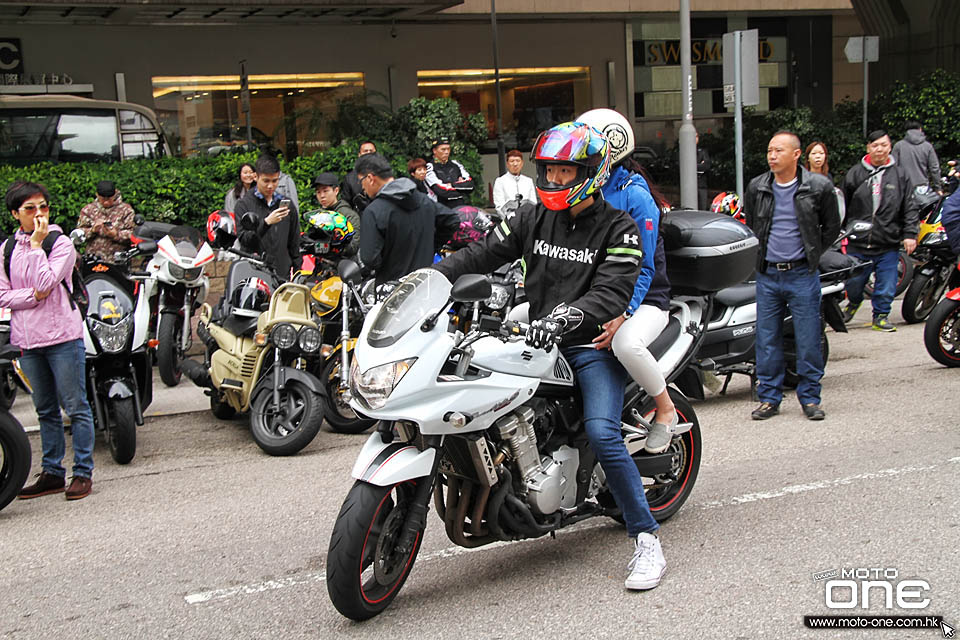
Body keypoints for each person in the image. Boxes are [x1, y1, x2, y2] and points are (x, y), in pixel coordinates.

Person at [434, 121, 666, 591]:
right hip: (533, 339)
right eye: (550, 172)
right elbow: (480, 253)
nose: (555, 182)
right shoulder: (530, 216)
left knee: (603, 433)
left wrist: (567, 317)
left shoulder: (619, 227)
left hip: (587, 346)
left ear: (593, 173)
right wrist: (426, 277)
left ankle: (647, 540)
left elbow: (611, 292)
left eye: (566, 173)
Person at [577, 108, 675, 454]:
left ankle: (665, 408)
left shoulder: (635, 196)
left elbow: (644, 267)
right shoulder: (584, 189)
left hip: (644, 299)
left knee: (626, 345)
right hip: (599, 295)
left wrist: (624, 313)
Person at [2, 181, 96, 501]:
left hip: (63, 337)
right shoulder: (6, 250)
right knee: (45, 409)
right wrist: (32, 297)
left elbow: (46, 281)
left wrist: (38, 244)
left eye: (43, 207)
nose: (39, 214)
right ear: (16, 214)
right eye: (30, 209)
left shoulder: (60, 244)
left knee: (76, 406)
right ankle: (53, 473)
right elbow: (5, 296)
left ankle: (82, 472)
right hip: (28, 340)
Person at [744, 131, 840, 421]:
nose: (772, 156)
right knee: (767, 339)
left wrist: (810, 253)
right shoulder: (758, 186)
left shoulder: (818, 187)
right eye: (770, 151)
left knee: (809, 339)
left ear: (796, 155)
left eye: (779, 151)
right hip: (768, 274)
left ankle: (810, 398)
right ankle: (769, 398)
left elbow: (831, 227)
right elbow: (752, 223)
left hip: (802, 274)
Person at [841, 130, 919, 332]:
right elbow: (843, 206)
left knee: (886, 284)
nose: (879, 149)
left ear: (890, 146)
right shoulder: (855, 174)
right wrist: (841, 231)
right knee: (854, 283)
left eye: (884, 145)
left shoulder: (900, 175)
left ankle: (881, 316)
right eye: (875, 145)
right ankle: (854, 303)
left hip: (888, 242)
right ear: (868, 148)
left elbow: (909, 206)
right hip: (858, 242)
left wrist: (910, 234)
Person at [355, 152, 460, 285]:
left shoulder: (374, 211)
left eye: (361, 181)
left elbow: (369, 258)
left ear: (370, 178)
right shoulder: (424, 201)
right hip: (425, 287)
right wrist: (431, 246)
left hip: (392, 291)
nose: (362, 188)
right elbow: (452, 220)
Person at [234, 154, 301, 279]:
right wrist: (266, 223)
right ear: (256, 177)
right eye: (266, 181)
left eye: (275, 181)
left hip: (282, 273)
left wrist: (298, 272)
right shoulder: (243, 205)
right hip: (254, 273)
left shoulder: (287, 205)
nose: (270, 186)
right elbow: (245, 241)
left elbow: (294, 241)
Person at [77, 180, 136, 261]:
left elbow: (134, 235)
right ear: (97, 195)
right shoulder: (88, 210)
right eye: (103, 199)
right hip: (93, 260)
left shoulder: (126, 210)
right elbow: (79, 234)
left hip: (118, 261)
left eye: (109, 198)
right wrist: (92, 231)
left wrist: (116, 235)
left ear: (115, 194)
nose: (106, 202)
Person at [312, 172, 361, 245]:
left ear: (336, 191)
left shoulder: (349, 216)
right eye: (318, 192)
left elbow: (354, 246)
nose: (322, 196)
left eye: (325, 191)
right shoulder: (317, 216)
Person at [892, 121, 941, 192]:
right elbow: (934, 168)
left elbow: (893, 168)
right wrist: (938, 188)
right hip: (922, 187)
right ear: (920, 129)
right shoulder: (927, 146)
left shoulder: (898, 146)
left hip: (902, 186)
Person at [425, 137, 474, 207]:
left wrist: (451, 185)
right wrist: (461, 187)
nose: (446, 152)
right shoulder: (429, 167)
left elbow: (470, 185)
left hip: (460, 206)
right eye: (443, 149)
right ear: (434, 151)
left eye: (448, 149)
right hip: (440, 208)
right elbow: (440, 191)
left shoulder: (456, 164)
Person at [492, 149, 537, 216]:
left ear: (522, 163)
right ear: (507, 164)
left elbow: (534, 203)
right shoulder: (500, 181)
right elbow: (499, 207)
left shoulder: (528, 181)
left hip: (527, 219)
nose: (515, 164)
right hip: (509, 219)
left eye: (518, 161)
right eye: (512, 161)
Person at [341, 140, 377, 213]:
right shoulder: (349, 179)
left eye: (371, 151)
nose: (368, 154)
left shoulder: (385, 176)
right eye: (365, 151)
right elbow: (346, 205)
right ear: (359, 155)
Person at [696, 132, 711, 210]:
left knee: (703, 207)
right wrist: (699, 165)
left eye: (696, 136)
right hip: (690, 185)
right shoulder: (684, 151)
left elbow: (706, 166)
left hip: (702, 185)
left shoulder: (702, 151)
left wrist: (694, 166)